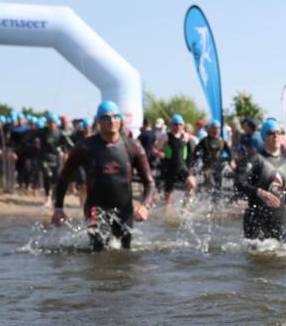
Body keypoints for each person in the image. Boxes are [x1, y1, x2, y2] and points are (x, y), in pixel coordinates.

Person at [51, 100, 155, 251]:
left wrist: (145, 206)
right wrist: (59, 207)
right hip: (95, 208)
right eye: (106, 117)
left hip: (125, 210)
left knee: (125, 252)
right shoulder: (85, 147)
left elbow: (150, 182)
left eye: (115, 116)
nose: (112, 121)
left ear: (120, 119)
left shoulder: (133, 146)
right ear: (98, 121)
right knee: (98, 250)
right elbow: (64, 176)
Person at [234, 118, 286, 241]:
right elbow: (239, 182)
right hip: (257, 220)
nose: (275, 135)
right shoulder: (255, 158)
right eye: (271, 132)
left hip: (279, 220)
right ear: (264, 136)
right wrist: (259, 192)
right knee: (258, 257)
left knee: (284, 256)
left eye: (278, 132)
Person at [154, 114, 197, 207]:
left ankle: (185, 207)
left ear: (183, 125)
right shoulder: (166, 137)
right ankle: (166, 213)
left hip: (182, 167)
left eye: (180, 124)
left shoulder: (185, 136)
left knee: (192, 183)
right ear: (171, 125)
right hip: (170, 169)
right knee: (168, 199)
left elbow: (195, 142)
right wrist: (159, 153)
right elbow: (155, 149)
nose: (178, 126)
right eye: (176, 124)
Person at [34, 114, 76, 205]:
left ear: (56, 123)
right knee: (47, 175)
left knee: (57, 177)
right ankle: (47, 197)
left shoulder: (60, 133)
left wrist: (67, 152)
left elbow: (69, 144)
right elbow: (29, 137)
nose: (51, 124)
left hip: (56, 158)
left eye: (53, 122)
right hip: (44, 157)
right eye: (49, 122)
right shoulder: (42, 132)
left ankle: (54, 195)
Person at [192, 119, 234, 201]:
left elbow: (230, 153)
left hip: (218, 167)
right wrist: (194, 162)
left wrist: (231, 161)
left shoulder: (222, 141)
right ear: (210, 129)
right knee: (210, 184)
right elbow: (195, 152)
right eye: (214, 128)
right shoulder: (204, 141)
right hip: (207, 166)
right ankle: (205, 201)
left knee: (218, 185)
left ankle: (216, 203)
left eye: (218, 128)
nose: (216, 130)